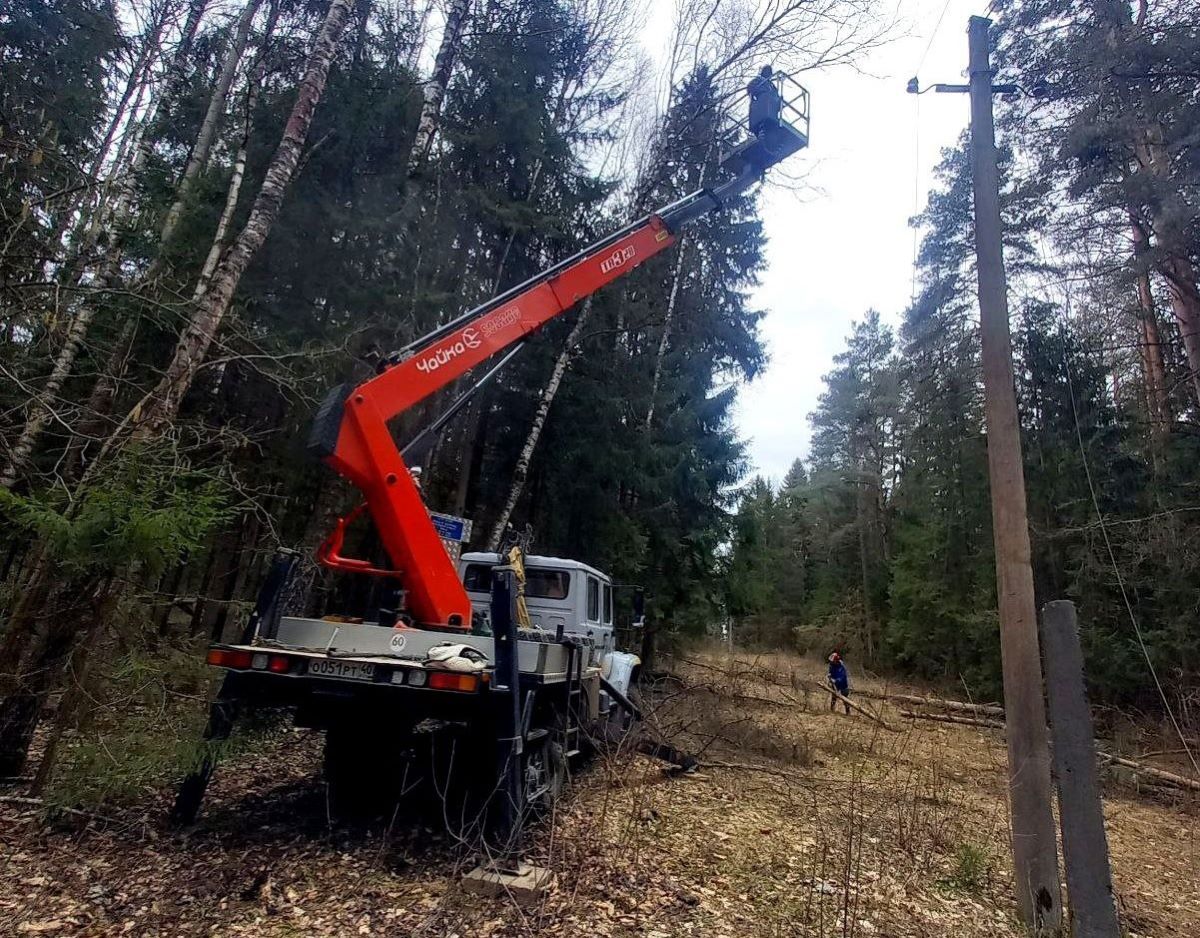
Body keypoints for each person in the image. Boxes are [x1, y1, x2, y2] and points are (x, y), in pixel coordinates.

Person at [747, 65, 782, 136]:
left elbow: (775, 95)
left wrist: (779, 100)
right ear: (763, 72)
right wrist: (763, 92)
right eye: (767, 71)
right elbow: (750, 87)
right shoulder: (758, 80)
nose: (769, 73)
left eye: (770, 72)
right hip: (761, 108)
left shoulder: (772, 86)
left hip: (771, 112)